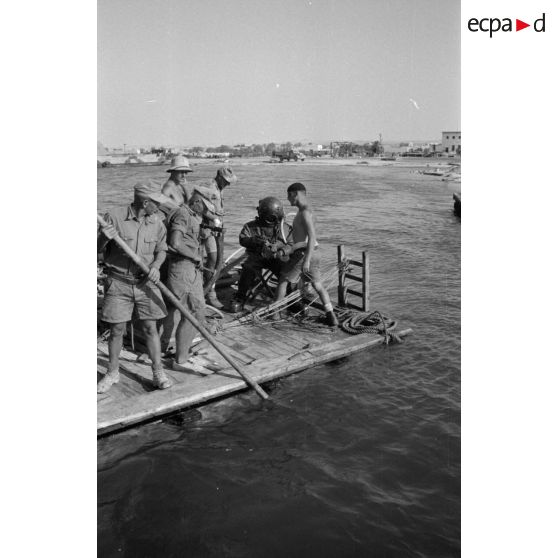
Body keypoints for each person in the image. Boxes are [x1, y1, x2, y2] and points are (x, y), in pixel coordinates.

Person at [97, 180, 173, 393]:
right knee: (117, 329)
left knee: (151, 328)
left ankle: (158, 372)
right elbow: (96, 250)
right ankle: (112, 372)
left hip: (146, 283)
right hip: (118, 282)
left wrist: (157, 266)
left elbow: (161, 250)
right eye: (156, 202)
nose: (159, 206)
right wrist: (104, 237)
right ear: (145, 201)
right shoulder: (113, 217)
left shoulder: (157, 222)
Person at [159, 189, 215, 371]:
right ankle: (180, 360)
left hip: (189, 269)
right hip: (183, 269)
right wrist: (195, 256)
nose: (205, 211)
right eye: (204, 207)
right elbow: (174, 243)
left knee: (194, 311)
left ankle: (178, 351)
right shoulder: (183, 214)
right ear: (197, 201)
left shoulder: (189, 215)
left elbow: (185, 238)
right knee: (191, 313)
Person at [273, 182, 339, 326]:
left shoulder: (305, 213)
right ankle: (331, 315)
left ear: (295, 194)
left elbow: (312, 237)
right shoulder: (305, 210)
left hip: (304, 254)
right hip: (314, 252)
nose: (288, 199)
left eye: (289, 196)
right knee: (318, 285)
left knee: (283, 280)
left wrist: (306, 260)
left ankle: (275, 313)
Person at [229, 197, 292, 312]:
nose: (270, 220)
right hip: (256, 257)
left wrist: (278, 248)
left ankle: (292, 298)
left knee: (289, 270)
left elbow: (290, 243)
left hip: (276, 257)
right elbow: (243, 240)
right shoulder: (250, 226)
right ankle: (240, 297)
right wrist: (255, 241)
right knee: (248, 268)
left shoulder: (283, 227)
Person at [197, 166, 237, 309]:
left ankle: (209, 292)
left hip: (215, 229)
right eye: (226, 181)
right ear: (219, 177)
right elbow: (198, 206)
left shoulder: (220, 188)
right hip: (204, 229)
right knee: (206, 261)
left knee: (215, 260)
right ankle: (205, 293)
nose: (228, 184)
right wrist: (213, 219)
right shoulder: (208, 187)